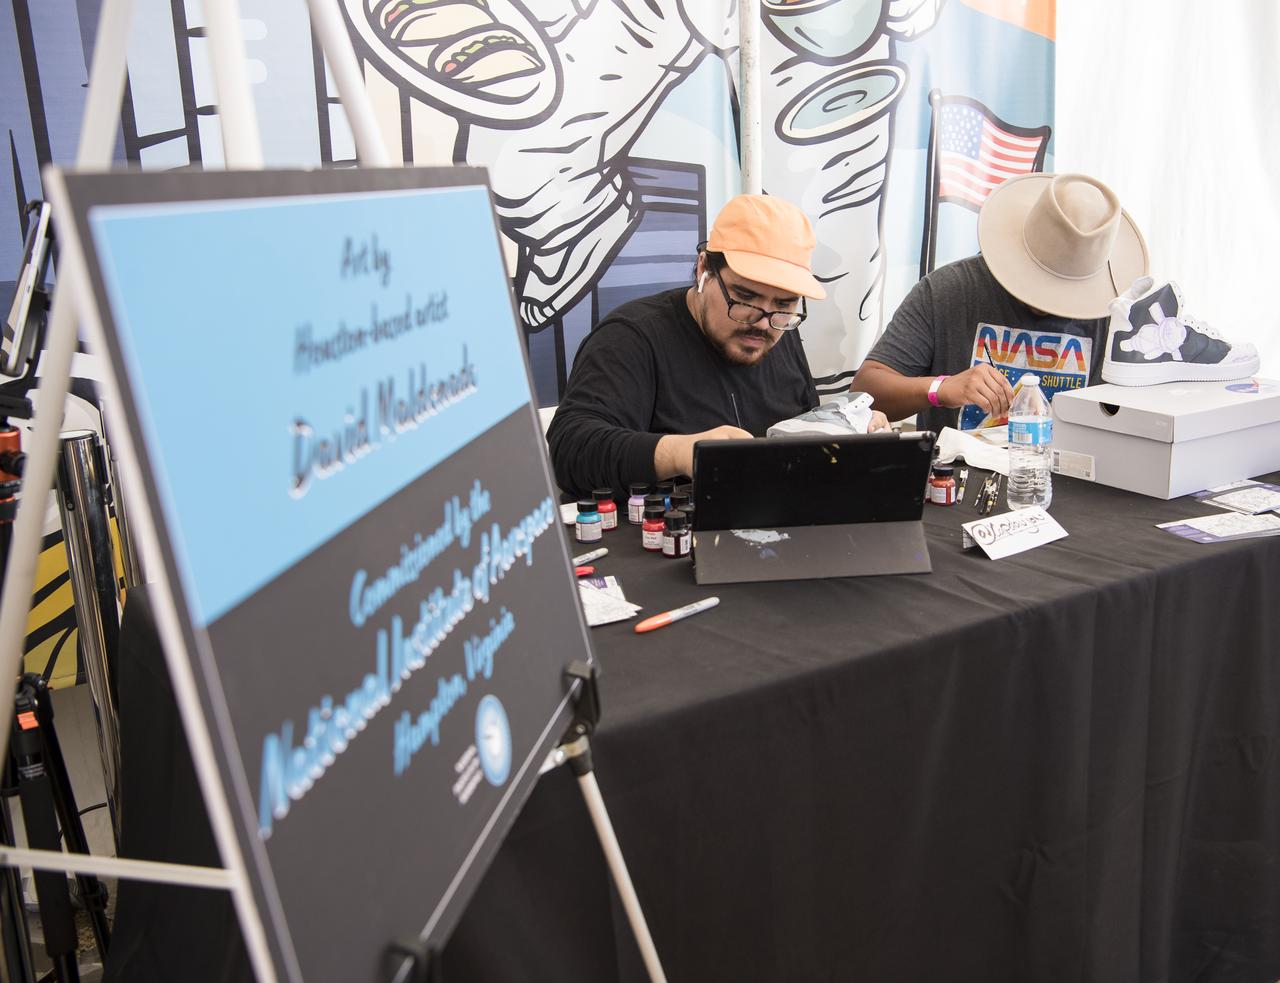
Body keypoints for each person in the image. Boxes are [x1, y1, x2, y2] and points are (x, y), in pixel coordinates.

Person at [548, 194, 887, 497]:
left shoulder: (778, 329)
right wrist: (683, 453)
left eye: (784, 304)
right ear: (703, 270)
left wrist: (846, 429)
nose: (761, 321)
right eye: (744, 297)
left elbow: (800, 435)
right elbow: (570, 450)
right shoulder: (632, 337)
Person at [851, 173, 1149, 434]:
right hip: (958, 489)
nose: (1045, 302)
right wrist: (942, 388)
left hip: (1072, 487)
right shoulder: (949, 292)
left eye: (1062, 291)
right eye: (1037, 283)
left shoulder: (1116, 316)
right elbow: (865, 392)